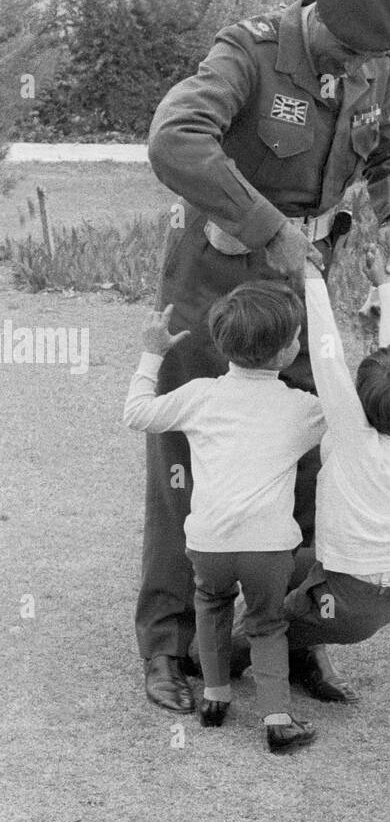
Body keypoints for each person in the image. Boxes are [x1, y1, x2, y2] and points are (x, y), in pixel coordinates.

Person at [136, 0, 390, 715]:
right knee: (191, 467)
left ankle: (290, 643)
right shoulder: (249, 52)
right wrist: (265, 225)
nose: (362, 69)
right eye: (352, 52)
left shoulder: (371, 64)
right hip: (219, 285)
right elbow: (175, 139)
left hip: (307, 292)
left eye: (374, 60)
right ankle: (170, 647)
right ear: (319, 15)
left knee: (305, 461)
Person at [231, 248, 390, 700]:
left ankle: (212, 660)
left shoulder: (355, 438)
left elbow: (327, 360)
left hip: (345, 600)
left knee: (241, 640)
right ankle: (280, 626)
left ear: (361, 404)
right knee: (278, 564)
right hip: (383, 589)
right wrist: (387, 285)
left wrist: (312, 280)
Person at [123, 285, 323, 751]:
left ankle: (215, 697)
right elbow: (348, 418)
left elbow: (137, 414)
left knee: (211, 608)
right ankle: (277, 718)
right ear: (287, 349)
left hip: (209, 543)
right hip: (269, 548)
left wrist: (151, 354)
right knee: (266, 624)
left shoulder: (199, 395)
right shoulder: (299, 407)